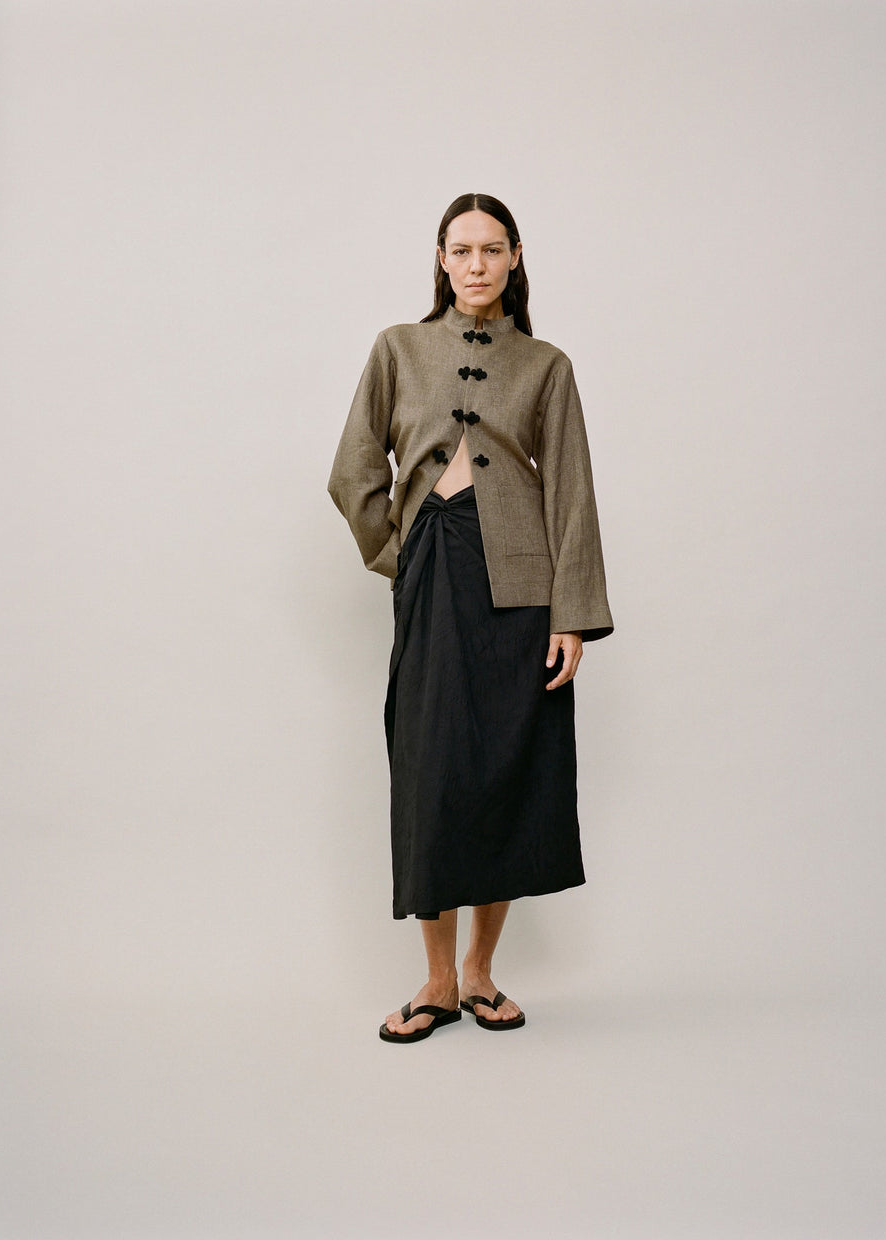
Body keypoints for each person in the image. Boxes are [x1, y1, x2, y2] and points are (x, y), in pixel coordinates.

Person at [328, 193, 613, 1042]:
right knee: (431, 769)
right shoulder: (399, 349)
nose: (478, 264)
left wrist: (572, 613)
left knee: (506, 772)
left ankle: (482, 977)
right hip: (435, 568)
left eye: (493, 249)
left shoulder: (546, 364)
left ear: (516, 257)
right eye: (462, 250)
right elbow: (352, 472)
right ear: (442, 260)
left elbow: (570, 489)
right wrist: (400, 554)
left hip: (522, 588)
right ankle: (436, 981)